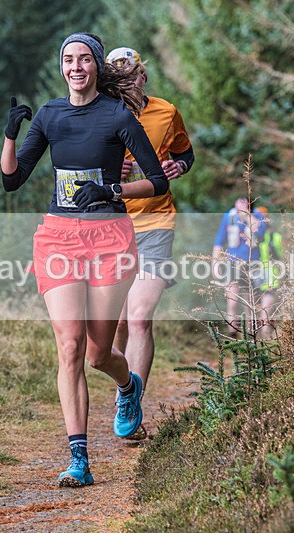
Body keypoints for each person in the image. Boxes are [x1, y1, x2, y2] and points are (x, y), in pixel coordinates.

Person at [0, 32, 169, 488]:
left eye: (84, 59)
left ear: (96, 65)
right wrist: (11, 136)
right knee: (70, 346)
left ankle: (128, 385)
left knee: (97, 353)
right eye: (68, 60)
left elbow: (157, 181)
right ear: (62, 67)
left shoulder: (117, 115)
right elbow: (12, 180)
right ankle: (79, 459)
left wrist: (110, 190)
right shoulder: (50, 115)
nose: (76, 67)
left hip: (109, 237)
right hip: (58, 238)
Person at [107, 47, 194, 440]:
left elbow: (185, 152)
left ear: (142, 76)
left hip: (156, 222)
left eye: (132, 76)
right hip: (112, 226)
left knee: (140, 317)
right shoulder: (101, 113)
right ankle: (125, 386)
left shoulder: (166, 112)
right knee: (120, 323)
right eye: (118, 79)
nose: (127, 84)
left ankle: (130, 403)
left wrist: (180, 165)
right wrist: (110, 169)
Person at [212, 197, 266, 333]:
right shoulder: (229, 216)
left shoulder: (258, 215)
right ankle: (233, 335)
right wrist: (215, 263)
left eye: (244, 201)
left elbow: (259, 231)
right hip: (232, 263)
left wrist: (245, 214)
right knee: (232, 301)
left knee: (250, 303)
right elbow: (219, 241)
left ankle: (251, 336)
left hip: (252, 264)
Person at [255, 206, 284, 339]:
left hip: (261, 272)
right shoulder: (272, 236)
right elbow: (281, 255)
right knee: (266, 306)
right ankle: (265, 335)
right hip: (269, 274)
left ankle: (262, 335)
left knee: (262, 306)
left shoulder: (259, 235)